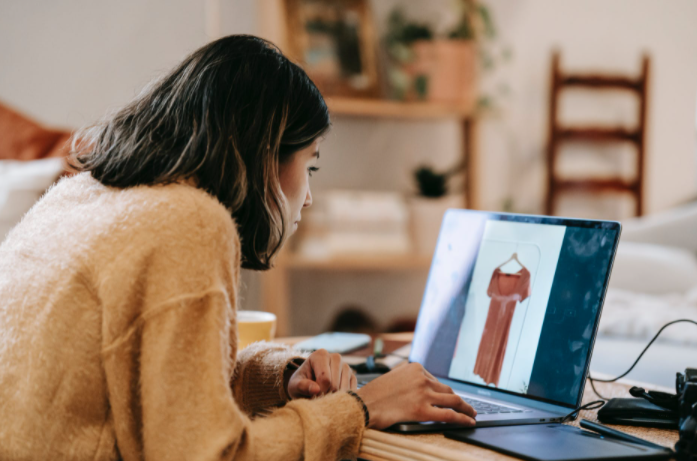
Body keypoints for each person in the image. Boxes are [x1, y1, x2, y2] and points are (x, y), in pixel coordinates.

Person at [0, 35, 475, 461]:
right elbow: (212, 455)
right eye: (309, 167)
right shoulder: (187, 221)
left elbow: (167, 390)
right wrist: (361, 408)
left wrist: (283, 376)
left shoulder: (80, 194)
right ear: (265, 152)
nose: (307, 196)